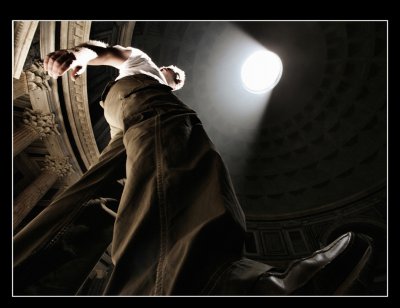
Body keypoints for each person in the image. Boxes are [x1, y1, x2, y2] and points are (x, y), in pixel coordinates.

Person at [13, 40, 375, 295]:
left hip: (124, 124)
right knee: (180, 150)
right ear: (165, 67)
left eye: (178, 77)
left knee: (101, 204)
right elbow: (105, 50)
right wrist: (76, 54)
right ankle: (220, 282)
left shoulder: (160, 85)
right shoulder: (143, 64)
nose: (177, 75)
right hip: (137, 96)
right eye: (175, 72)